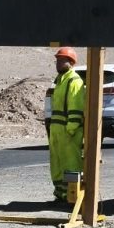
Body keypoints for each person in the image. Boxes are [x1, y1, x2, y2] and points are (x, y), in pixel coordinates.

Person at [44, 47, 87, 203]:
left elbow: (76, 106)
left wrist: (71, 129)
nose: (58, 63)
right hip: (57, 131)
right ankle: (61, 194)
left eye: (62, 60)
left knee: (70, 164)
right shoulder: (59, 81)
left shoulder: (74, 81)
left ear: (71, 62)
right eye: (57, 60)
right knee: (57, 164)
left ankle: (73, 196)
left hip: (68, 132)